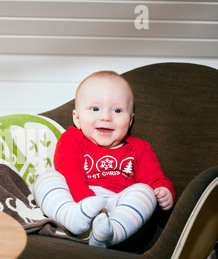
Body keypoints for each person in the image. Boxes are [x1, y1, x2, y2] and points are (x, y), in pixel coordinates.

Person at [33, 71, 175, 247]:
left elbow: (155, 179)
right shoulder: (73, 138)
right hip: (75, 199)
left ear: (130, 121)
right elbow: (69, 171)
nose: (106, 117)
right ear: (77, 119)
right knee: (47, 178)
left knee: (145, 192)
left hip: (115, 205)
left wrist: (164, 190)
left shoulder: (139, 148)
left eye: (117, 110)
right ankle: (70, 218)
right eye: (95, 109)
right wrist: (85, 199)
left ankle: (110, 233)